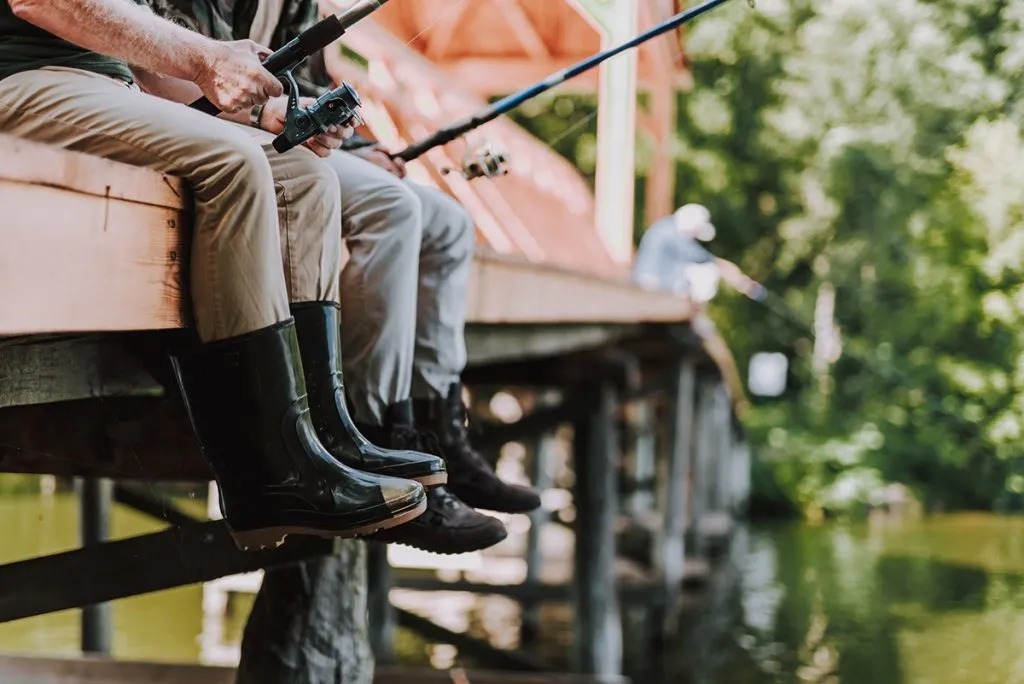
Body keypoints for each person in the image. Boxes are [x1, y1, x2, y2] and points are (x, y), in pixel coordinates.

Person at [0, 0, 446, 551]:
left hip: (106, 86)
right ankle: (267, 475)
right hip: (21, 78)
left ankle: (325, 439)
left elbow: (138, 56)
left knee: (307, 178)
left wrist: (267, 114)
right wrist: (206, 57)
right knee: (234, 163)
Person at [145, 0, 543, 555]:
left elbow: (305, 83)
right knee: (392, 208)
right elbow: (174, 68)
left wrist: (350, 140)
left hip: (270, 132)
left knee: (448, 219)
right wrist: (278, 118)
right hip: (208, 123)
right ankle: (370, 430)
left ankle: (431, 431)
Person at [633, 203, 766, 304]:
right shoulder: (672, 235)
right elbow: (715, 262)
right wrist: (744, 284)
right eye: (695, 232)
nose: (694, 237)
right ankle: (691, 308)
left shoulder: (665, 228)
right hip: (654, 284)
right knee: (708, 272)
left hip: (648, 280)